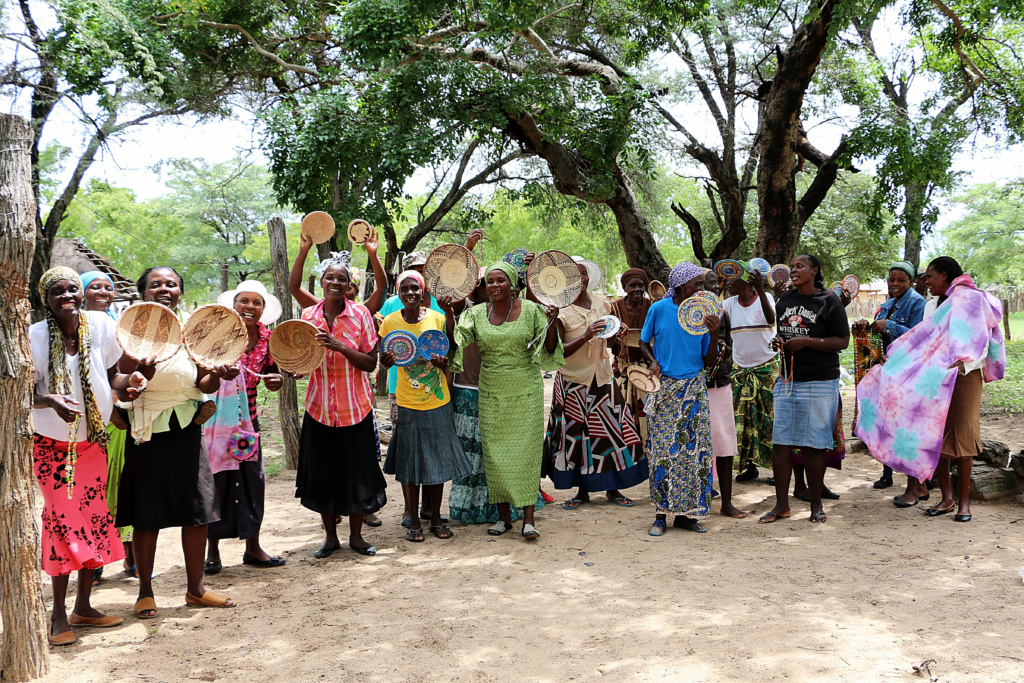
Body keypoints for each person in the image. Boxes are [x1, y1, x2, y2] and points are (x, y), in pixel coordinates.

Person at [31, 267, 147, 645]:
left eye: (72, 290)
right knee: (63, 523)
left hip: (93, 442)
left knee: (94, 520)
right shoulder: (32, 337)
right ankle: (58, 616)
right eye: (57, 292)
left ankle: (84, 606)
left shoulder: (98, 324)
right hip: (51, 446)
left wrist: (127, 386)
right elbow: (20, 391)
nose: (67, 297)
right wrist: (49, 400)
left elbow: (110, 375)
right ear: (45, 299)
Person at [116, 266, 236, 618]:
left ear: (181, 291)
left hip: (186, 427)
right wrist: (137, 374)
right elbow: (119, 378)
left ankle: (195, 590)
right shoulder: (130, 331)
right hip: (145, 432)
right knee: (146, 514)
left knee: (196, 511)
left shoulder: (192, 332)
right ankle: (145, 592)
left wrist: (218, 371)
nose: (164, 289)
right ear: (143, 292)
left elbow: (204, 385)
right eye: (156, 285)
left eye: (171, 284)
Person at [856, 257, 1005, 523]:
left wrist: (965, 361)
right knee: (938, 435)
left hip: (964, 376)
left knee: (963, 437)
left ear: (945, 276)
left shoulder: (971, 299)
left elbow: (982, 337)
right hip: (937, 376)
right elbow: (924, 341)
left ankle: (965, 503)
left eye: (931, 278)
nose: (927, 282)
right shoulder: (941, 304)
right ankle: (947, 499)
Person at [450, 262, 563, 539]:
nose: (495, 285)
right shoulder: (476, 314)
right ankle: (503, 519)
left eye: (501, 280)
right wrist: (447, 313)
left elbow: (549, 349)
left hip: (526, 391)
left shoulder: (533, 311)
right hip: (491, 392)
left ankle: (528, 519)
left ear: (513, 286)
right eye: (490, 281)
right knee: (495, 455)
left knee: (526, 455)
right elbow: (458, 339)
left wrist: (551, 324)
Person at [293, 251, 387, 556]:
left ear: (348, 284)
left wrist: (339, 346)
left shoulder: (360, 315)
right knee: (323, 476)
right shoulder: (309, 317)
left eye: (341, 278)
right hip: (319, 409)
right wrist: (295, 368)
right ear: (321, 282)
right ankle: (330, 538)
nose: (335, 282)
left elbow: (370, 363)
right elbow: (303, 359)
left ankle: (357, 537)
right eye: (330, 277)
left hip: (355, 409)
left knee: (357, 475)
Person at [543, 260, 647, 510]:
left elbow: (611, 335)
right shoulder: (559, 309)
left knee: (612, 433)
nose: (580, 279)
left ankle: (613, 488)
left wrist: (618, 332)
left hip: (602, 378)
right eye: (574, 275)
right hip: (572, 382)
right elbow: (555, 352)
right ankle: (581, 492)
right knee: (576, 437)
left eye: (583, 274)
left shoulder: (602, 302)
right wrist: (586, 335)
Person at [380, 271, 471, 541]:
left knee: (438, 461)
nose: (410, 293)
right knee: (409, 463)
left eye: (415, 289)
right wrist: (385, 361)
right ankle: (413, 523)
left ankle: (434, 519)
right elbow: (384, 358)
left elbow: (452, 349)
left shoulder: (437, 317)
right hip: (407, 400)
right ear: (398, 292)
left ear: (423, 292)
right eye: (404, 289)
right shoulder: (390, 321)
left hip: (437, 400)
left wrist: (442, 362)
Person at [759, 254, 849, 525]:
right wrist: (780, 341)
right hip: (787, 379)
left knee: (814, 445)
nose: (794, 270)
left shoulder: (829, 300)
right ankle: (781, 506)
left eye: (800, 267)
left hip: (820, 381)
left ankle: (816, 505)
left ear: (814, 271)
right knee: (781, 443)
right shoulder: (786, 298)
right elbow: (783, 332)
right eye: (793, 266)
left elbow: (842, 341)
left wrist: (807, 342)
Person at [203, 281, 286, 574]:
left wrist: (276, 381)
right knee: (215, 484)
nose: (250, 307)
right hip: (213, 423)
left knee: (252, 483)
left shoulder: (267, 338)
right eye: (244, 301)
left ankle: (253, 547)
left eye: (256, 303)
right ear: (233, 305)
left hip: (248, 421)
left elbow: (273, 375)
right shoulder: (217, 335)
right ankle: (212, 551)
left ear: (263, 310)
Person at [640, 263, 719, 536]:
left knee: (694, 452)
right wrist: (652, 361)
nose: (702, 289)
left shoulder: (704, 315)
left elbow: (708, 362)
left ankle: (689, 514)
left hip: (694, 389)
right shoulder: (659, 309)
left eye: (702, 284)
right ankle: (661, 515)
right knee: (662, 452)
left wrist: (715, 332)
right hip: (665, 388)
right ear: (681, 285)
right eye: (696, 284)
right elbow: (643, 341)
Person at [854, 261, 928, 495]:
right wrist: (868, 325)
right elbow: (878, 331)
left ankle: (918, 480)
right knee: (887, 421)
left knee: (906, 424)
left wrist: (890, 326)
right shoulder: (886, 304)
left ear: (911, 281)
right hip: (888, 369)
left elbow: (919, 336)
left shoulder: (918, 303)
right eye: (891, 280)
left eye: (900, 280)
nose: (895, 284)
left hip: (908, 371)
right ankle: (887, 474)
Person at [79, 270, 132, 584]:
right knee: (95, 490)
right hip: (90, 422)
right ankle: (93, 561)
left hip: (122, 418)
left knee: (124, 484)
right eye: (94, 286)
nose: (102, 291)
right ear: (81, 293)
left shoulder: (120, 325)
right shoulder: (74, 329)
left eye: (108, 287)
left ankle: (130, 557)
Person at [722, 268, 777, 483]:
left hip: (767, 368)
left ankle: (775, 468)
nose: (728, 284)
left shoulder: (766, 298)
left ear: (745, 281)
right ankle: (750, 466)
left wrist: (762, 291)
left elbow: (771, 320)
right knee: (743, 420)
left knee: (769, 419)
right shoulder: (729, 304)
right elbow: (715, 316)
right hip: (741, 370)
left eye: (731, 280)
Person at [702, 268, 745, 518]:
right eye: (706, 284)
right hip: (693, 384)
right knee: (698, 444)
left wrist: (716, 341)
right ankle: (701, 496)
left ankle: (726, 502)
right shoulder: (685, 315)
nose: (714, 287)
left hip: (719, 384)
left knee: (724, 442)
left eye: (716, 283)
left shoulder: (722, 314)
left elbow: (726, 350)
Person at [610, 268, 653, 442]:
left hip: (646, 367)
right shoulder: (615, 308)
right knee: (620, 413)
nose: (637, 289)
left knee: (646, 413)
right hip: (622, 366)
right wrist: (616, 336)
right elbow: (608, 341)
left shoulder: (651, 306)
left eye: (641, 285)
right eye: (632, 286)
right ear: (625, 287)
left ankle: (644, 449)